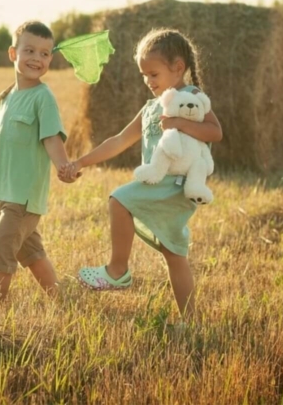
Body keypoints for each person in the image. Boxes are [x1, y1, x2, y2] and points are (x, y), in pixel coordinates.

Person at [59, 28, 222, 321]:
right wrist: (81, 162)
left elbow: (215, 131)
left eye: (153, 74)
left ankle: (117, 271)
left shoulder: (191, 97)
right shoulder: (150, 109)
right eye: (144, 75)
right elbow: (119, 140)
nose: (148, 81)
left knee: (119, 200)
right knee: (174, 255)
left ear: (178, 68)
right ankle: (191, 321)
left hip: (176, 185)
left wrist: (177, 123)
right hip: (160, 183)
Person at [0, 21, 72, 302]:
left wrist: (63, 166)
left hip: (24, 196)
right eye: (30, 50)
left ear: (50, 59)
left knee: (0, 248)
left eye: (45, 53)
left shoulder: (43, 98)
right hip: (4, 191)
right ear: (13, 53)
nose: (37, 58)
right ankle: (60, 300)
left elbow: (51, 138)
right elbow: (3, 140)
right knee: (30, 253)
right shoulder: (6, 97)